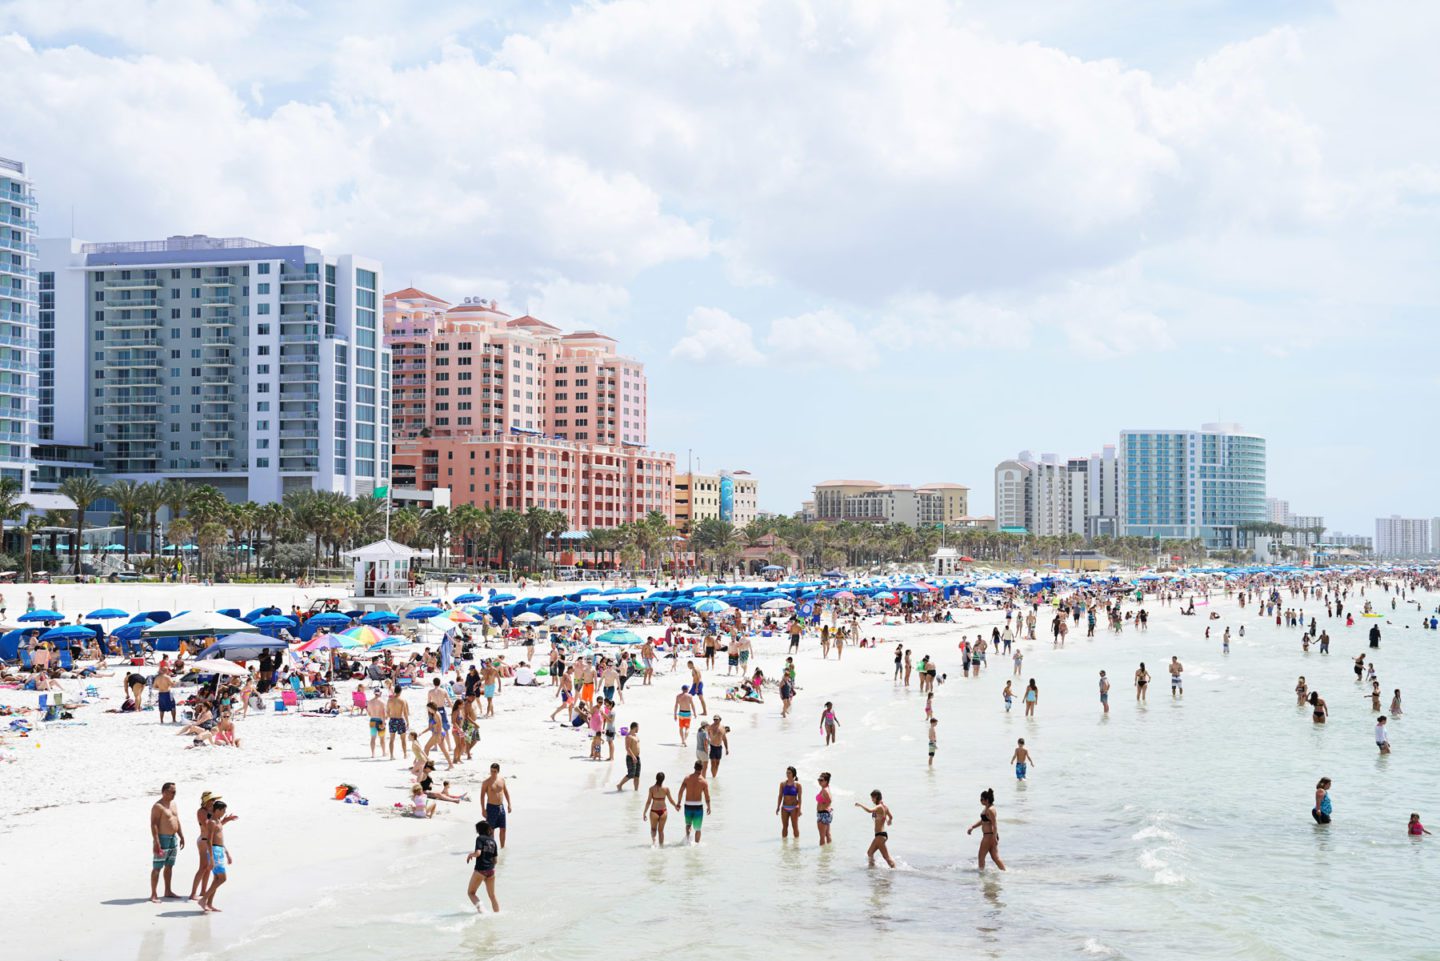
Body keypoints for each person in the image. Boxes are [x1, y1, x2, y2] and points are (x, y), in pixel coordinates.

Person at [149, 782, 184, 902]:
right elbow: (153, 824)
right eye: (172, 791)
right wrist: (156, 841)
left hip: (173, 838)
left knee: (169, 866)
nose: (175, 793)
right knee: (157, 867)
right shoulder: (158, 806)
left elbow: (176, 820)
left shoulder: (173, 804)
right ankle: (153, 894)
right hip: (162, 839)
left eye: (175, 791)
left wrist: (181, 835)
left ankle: (168, 891)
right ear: (164, 792)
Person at [199, 800, 232, 912]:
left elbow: (220, 838)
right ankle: (203, 899)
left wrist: (227, 853)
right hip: (215, 851)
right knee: (222, 878)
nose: (224, 812)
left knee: (216, 879)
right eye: (223, 810)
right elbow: (209, 841)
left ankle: (209, 903)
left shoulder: (218, 821)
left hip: (219, 850)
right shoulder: (212, 822)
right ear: (217, 810)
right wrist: (212, 858)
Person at [966, 788, 1006, 871]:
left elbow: (994, 824)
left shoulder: (991, 810)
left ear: (987, 800)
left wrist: (994, 838)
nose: (980, 801)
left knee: (981, 856)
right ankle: (1004, 872)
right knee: (995, 857)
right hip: (990, 835)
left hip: (989, 836)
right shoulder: (987, 808)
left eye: (982, 799)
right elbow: (983, 821)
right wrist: (972, 827)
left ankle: (981, 875)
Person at [465, 821, 500, 913]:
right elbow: (495, 860)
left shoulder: (480, 838)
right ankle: (497, 914)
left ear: (478, 830)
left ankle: (482, 910)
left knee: (471, 893)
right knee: (492, 896)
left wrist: (470, 855)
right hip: (491, 871)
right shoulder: (493, 841)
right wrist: (489, 869)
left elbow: (478, 853)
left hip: (480, 870)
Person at [855, 790, 895, 868]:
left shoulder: (879, 806)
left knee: (886, 857)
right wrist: (889, 821)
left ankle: (894, 871)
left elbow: (870, 811)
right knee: (870, 853)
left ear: (876, 797)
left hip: (880, 836)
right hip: (880, 835)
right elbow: (891, 817)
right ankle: (872, 870)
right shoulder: (884, 807)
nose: (872, 800)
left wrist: (860, 805)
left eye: (872, 798)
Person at [679, 761, 711, 844]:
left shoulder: (687, 778)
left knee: (688, 824)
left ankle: (688, 840)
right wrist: (709, 807)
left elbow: (681, 791)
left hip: (688, 805)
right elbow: (707, 797)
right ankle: (696, 845)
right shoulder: (703, 781)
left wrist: (678, 803)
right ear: (702, 769)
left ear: (694, 767)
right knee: (698, 829)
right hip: (698, 807)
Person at [481, 763, 512, 848]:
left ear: (498, 771)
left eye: (494, 771)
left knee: (503, 829)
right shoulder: (486, 782)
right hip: (491, 807)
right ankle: (492, 849)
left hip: (501, 808)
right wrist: (483, 809)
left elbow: (505, 792)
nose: (493, 773)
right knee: (491, 830)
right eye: (491, 771)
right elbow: (482, 796)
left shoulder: (502, 780)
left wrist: (509, 804)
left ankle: (502, 848)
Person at [643, 772, 677, 846]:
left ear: (656, 778)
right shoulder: (666, 789)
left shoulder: (651, 789)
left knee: (653, 829)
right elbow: (671, 800)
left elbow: (648, 802)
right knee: (661, 831)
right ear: (663, 779)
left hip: (654, 811)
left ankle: (654, 842)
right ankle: (661, 847)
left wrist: (644, 812)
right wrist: (676, 806)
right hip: (663, 811)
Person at [776, 765, 803, 839]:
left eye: (789, 773)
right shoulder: (782, 784)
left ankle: (796, 844)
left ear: (793, 774)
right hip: (784, 808)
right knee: (785, 826)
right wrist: (778, 807)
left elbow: (800, 798)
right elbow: (780, 796)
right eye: (787, 773)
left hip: (794, 808)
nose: (787, 774)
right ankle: (784, 845)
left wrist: (800, 810)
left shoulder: (798, 785)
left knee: (795, 826)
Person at [386, 686, 410, 760]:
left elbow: (387, 712)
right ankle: (405, 754)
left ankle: (392, 755)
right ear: (401, 691)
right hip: (400, 719)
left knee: (391, 739)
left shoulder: (389, 700)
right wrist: (407, 722)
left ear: (395, 691)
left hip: (392, 720)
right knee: (403, 739)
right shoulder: (403, 700)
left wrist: (391, 717)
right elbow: (405, 713)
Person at [616, 722, 642, 792]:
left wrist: (636, 756)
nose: (638, 729)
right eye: (638, 727)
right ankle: (619, 785)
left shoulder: (636, 736)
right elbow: (627, 748)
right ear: (635, 727)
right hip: (631, 757)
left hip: (637, 757)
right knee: (631, 774)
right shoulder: (629, 736)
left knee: (637, 775)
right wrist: (633, 756)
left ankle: (636, 791)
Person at [367, 687, 386, 758]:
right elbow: (383, 713)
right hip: (380, 720)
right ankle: (383, 752)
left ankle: (373, 754)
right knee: (382, 738)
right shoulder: (382, 702)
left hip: (372, 720)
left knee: (373, 737)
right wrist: (384, 722)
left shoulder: (369, 702)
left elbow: (369, 713)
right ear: (380, 693)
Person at [815, 772, 833, 846]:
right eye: (819, 779)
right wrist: (827, 807)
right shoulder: (826, 788)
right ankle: (829, 852)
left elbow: (829, 801)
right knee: (827, 834)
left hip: (823, 814)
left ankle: (822, 855)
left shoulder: (825, 790)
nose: (819, 781)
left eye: (821, 780)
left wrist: (824, 807)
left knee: (822, 837)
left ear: (826, 781)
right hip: (826, 813)